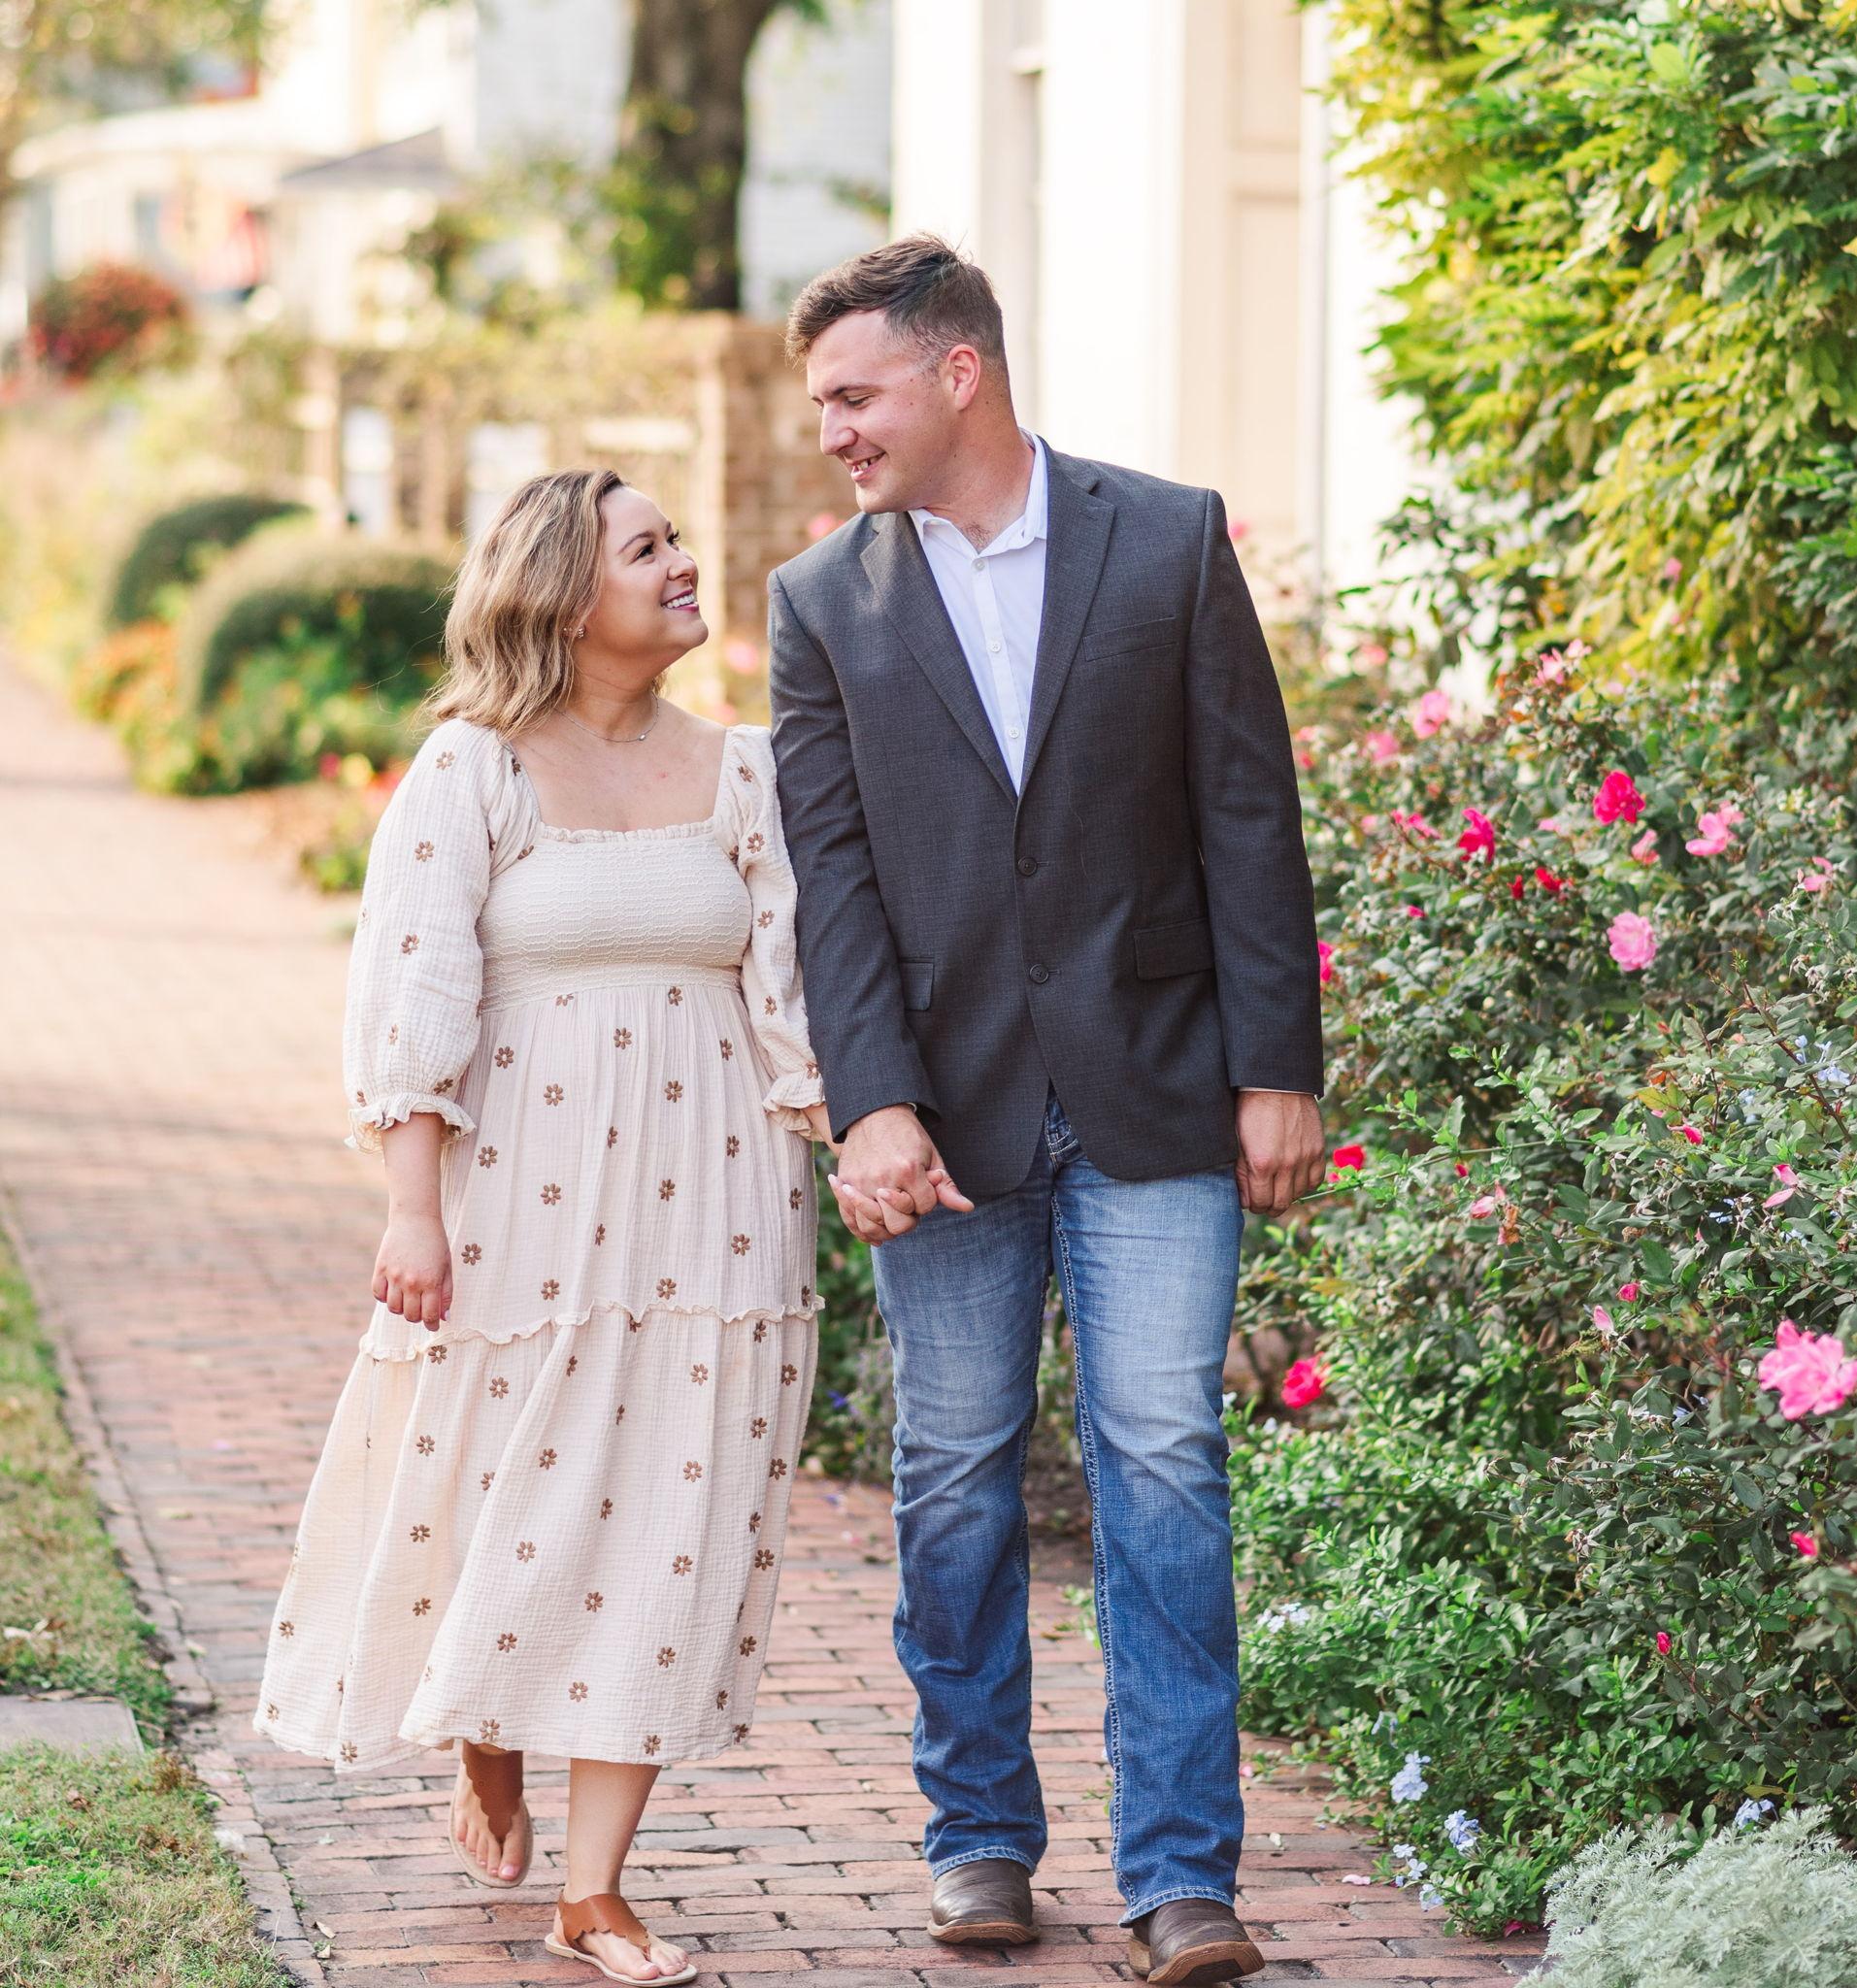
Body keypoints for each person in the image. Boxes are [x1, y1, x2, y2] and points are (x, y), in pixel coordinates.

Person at [768, 235, 1326, 1987]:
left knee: (1162, 1462)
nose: (834, 433)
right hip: (941, 1119)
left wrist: (1278, 1065)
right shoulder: (818, 604)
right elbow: (831, 884)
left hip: (1158, 1088)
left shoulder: (1165, 539)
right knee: (952, 1480)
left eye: (854, 395)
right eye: (821, 407)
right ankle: (980, 1841)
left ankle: (1182, 1880)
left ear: (957, 373)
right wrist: (871, 1104)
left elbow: (1250, 812)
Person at [255, 467, 832, 1987]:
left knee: (672, 1509)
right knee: (515, 1491)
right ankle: (486, 1738)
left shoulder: (750, 772)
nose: (688, 564)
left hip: (714, 1207)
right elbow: (414, 990)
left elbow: (790, 995)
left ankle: (597, 1896)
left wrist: (853, 1147)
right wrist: (414, 1209)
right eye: (650, 548)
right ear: (570, 595)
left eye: (677, 540)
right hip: (526, 1201)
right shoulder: (473, 772)